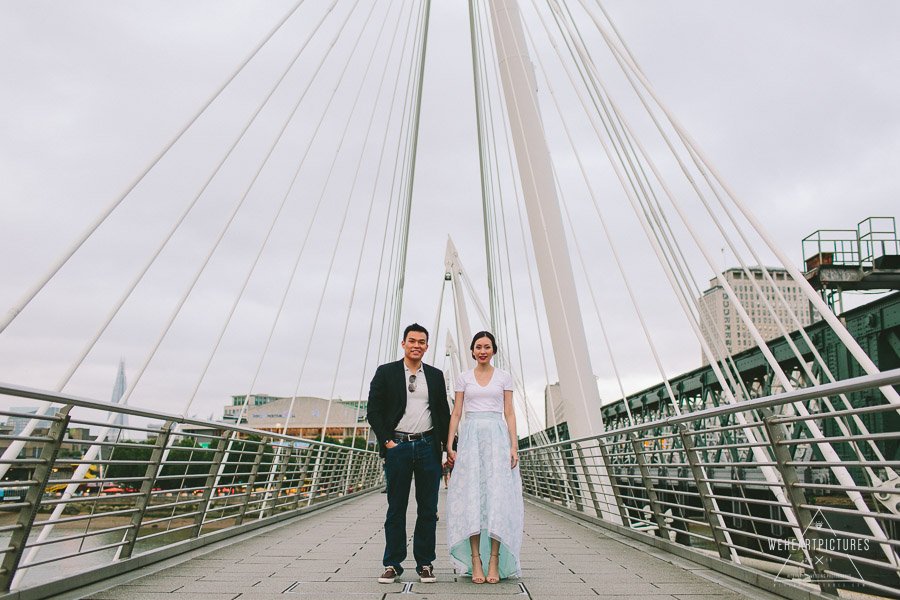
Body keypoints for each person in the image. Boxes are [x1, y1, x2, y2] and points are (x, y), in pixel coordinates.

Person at [367, 323, 450, 584]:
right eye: (412, 340)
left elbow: (444, 413)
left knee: (428, 508)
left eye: (422, 341)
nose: (417, 345)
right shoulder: (386, 373)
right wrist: (387, 442)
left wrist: (448, 448)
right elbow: (373, 411)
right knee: (396, 508)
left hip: (427, 446)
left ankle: (425, 563)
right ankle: (392, 563)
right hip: (398, 446)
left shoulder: (435, 376)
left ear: (427, 346)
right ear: (403, 343)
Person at [445, 331, 523, 584]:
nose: (482, 351)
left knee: (497, 498)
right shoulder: (463, 377)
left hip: (497, 438)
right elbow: (456, 412)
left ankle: (495, 559)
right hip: (471, 440)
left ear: (493, 350)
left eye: (487, 347)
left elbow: (509, 412)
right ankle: (475, 559)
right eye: (478, 347)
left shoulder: (504, 377)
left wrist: (514, 445)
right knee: (472, 498)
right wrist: (449, 444)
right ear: (471, 351)